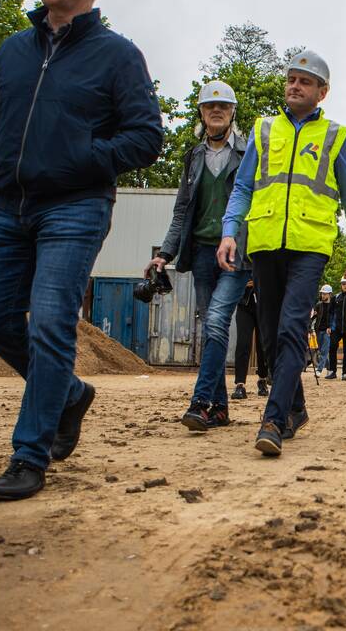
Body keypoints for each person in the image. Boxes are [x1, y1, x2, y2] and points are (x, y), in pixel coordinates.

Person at [0, 0, 163, 500]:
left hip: (77, 206)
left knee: (52, 321)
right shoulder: (13, 51)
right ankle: (69, 395)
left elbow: (145, 137)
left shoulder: (117, 56)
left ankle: (29, 454)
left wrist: (84, 155)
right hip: (11, 208)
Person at [219, 50, 346, 457]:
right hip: (265, 241)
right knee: (269, 335)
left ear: (322, 92)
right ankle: (297, 408)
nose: (295, 86)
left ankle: (273, 420)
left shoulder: (336, 135)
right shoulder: (264, 129)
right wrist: (230, 231)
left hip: (310, 246)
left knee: (289, 329)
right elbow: (243, 186)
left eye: (305, 81)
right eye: (291, 79)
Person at [147, 80, 250, 431]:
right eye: (210, 106)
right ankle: (220, 408)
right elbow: (181, 212)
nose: (216, 111)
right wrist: (165, 253)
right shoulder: (193, 157)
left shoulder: (249, 152)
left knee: (217, 321)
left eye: (222, 106)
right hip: (203, 253)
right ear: (202, 113)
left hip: (237, 253)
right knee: (212, 327)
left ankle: (200, 402)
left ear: (232, 112)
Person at [233, 278, 270, 398]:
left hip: (264, 305)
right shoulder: (243, 259)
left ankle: (262, 380)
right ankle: (240, 384)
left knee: (262, 345)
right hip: (244, 304)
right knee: (243, 344)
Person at [312, 285, 334, 374]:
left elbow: (335, 319)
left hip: (327, 331)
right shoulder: (318, 305)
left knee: (324, 351)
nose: (323, 296)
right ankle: (329, 368)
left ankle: (319, 370)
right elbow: (313, 316)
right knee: (321, 352)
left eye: (325, 294)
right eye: (322, 294)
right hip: (318, 330)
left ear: (329, 294)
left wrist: (331, 327)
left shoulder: (333, 306)